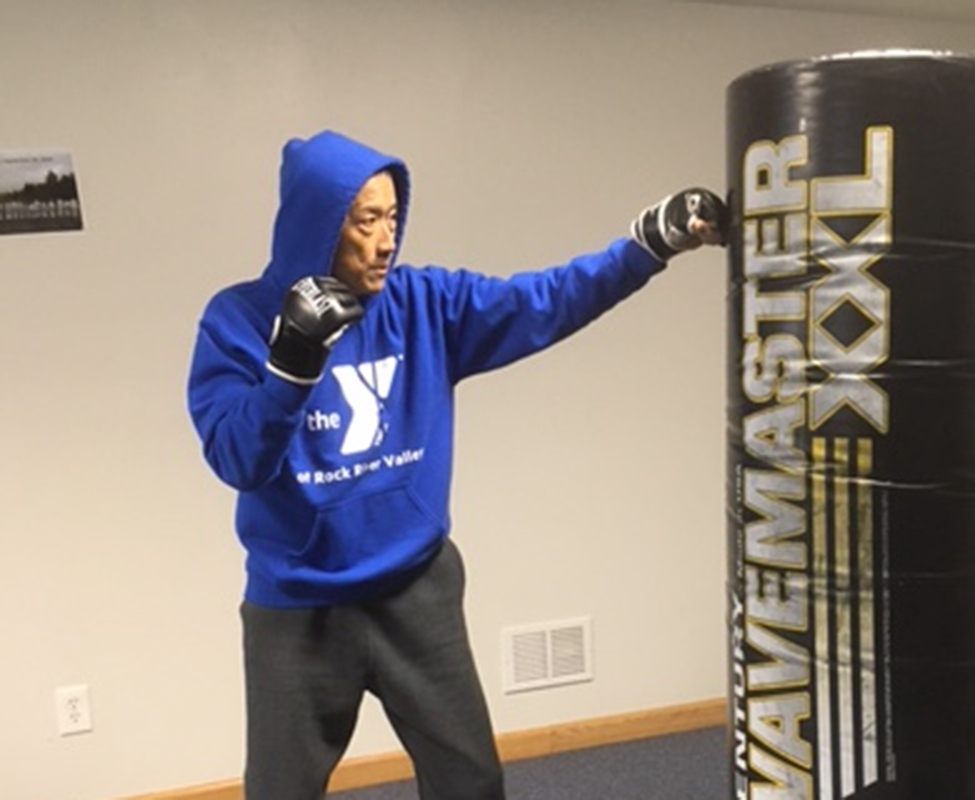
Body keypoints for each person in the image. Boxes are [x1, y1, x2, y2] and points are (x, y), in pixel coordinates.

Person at [186, 129, 727, 800]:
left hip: (415, 588)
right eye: (365, 221)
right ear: (318, 222)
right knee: (279, 792)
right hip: (298, 604)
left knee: (471, 782)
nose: (386, 239)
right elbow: (238, 458)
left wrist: (646, 248)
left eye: (392, 217)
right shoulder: (237, 320)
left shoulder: (423, 305)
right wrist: (291, 365)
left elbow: (543, 301)